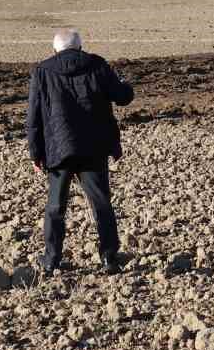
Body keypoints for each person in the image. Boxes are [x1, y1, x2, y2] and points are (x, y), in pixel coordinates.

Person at [26, 29, 135, 275]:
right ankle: (109, 258)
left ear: (55, 50)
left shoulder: (42, 71)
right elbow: (122, 97)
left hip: (58, 149)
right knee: (101, 203)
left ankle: (51, 260)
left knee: (55, 207)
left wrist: (36, 153)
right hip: (93, 147)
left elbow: (32, 117)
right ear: (80, 47)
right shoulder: (97, 65)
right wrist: (127, 85)